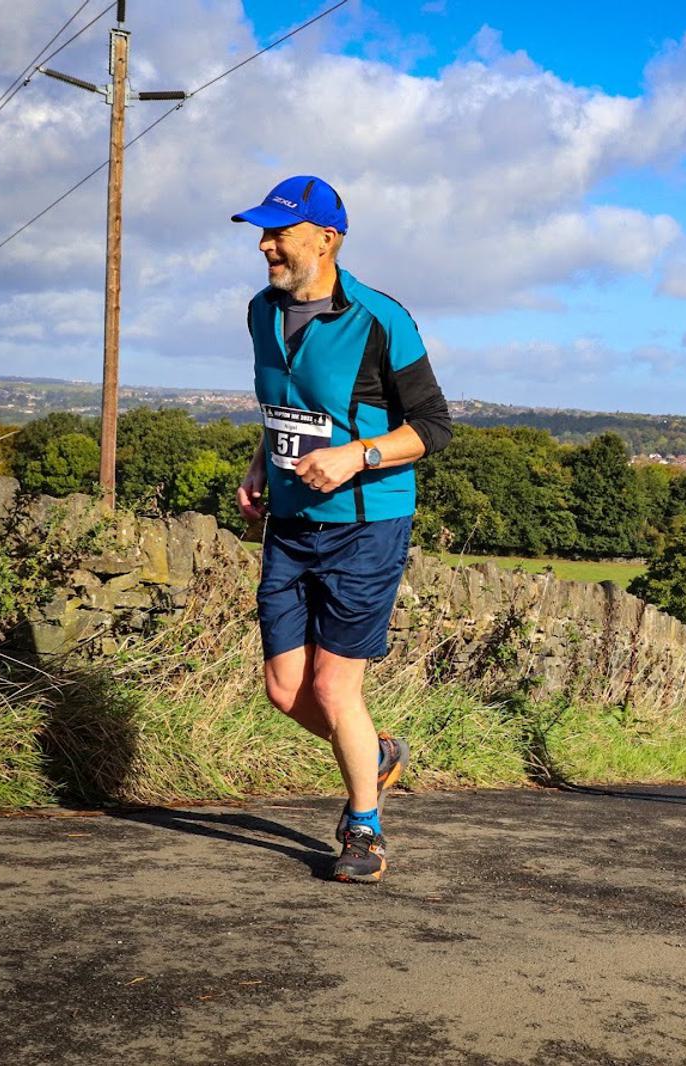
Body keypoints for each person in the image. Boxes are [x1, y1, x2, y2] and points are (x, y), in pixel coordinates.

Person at [231, 175, 451, 883]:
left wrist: (359, 455)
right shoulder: (261, 312)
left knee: (332, 690)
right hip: (291, 523)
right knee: (281, 686)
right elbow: (284, 407)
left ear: (326, 239)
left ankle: (364, 830)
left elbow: (434, 428)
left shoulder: (381, 319)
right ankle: (377, 753)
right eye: (263, 233)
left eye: (279, 233)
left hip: (367, 525)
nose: (266, 244)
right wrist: (262, 464)